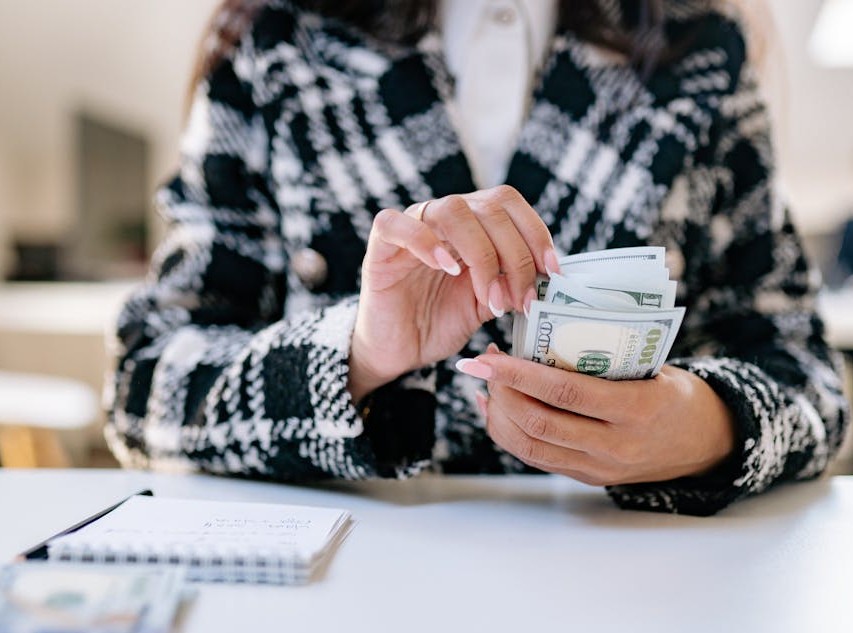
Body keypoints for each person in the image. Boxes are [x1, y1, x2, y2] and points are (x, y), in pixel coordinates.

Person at [104, 0, 849, 516]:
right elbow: (143, 389)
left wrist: (704, 429)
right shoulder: (279, 39)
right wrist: (357, 356)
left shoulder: (698, 49)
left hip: (630, 597)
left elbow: (811, 379)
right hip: (344, 607)